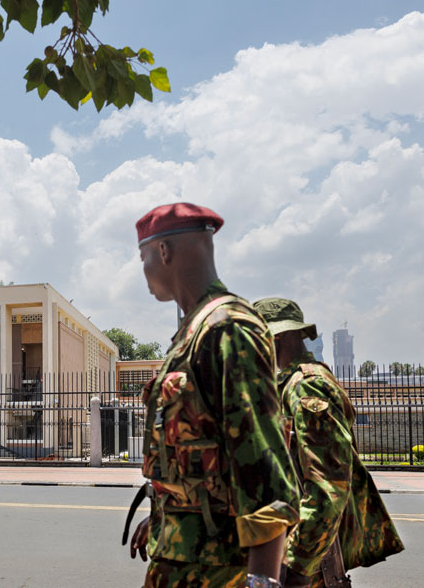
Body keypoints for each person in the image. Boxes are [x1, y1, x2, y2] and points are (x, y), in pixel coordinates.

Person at [125, 203, 300, 588]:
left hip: (220, 571)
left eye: (144, 257)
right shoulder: (193, 332)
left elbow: (265, 471)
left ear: (165, 252)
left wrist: (262, 583)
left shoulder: (227, 328)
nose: (144, 271)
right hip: (183, 562)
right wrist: (161, 518)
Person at [252, 298, 404, 587]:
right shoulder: (290, 384)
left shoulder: (307, 385)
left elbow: (328, 487)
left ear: (276, 337)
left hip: (306, 565)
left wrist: (295, 570)